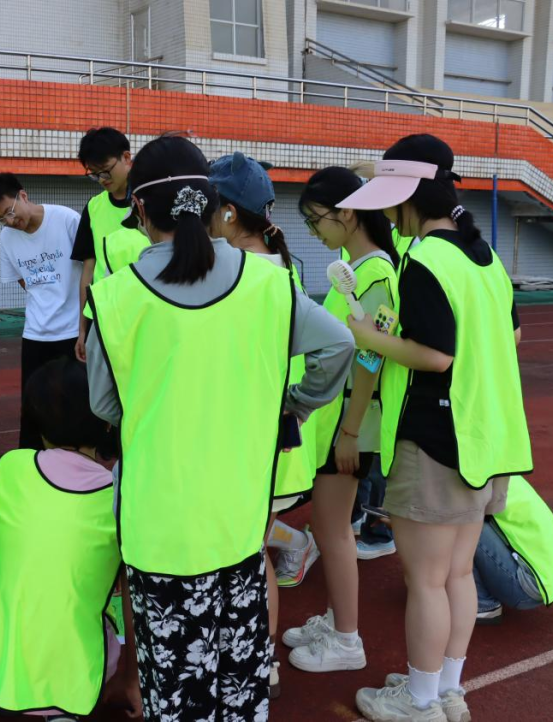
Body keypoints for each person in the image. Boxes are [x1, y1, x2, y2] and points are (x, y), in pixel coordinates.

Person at [85, 134, 354, 720]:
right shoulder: (268, 282)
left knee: (176, 690)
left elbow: (105, 404)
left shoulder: (115, 296)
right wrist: (295, 403)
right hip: (238, 521)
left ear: (139, 208)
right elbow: (339, 344)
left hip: (159, 529)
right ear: (212, 205)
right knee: (237, 684)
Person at [340, 134, 532, 722]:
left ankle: (420, 701)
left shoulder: (426, 260)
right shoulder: (484, 257)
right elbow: (512, 335)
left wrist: (368, 335)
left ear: (409, 198)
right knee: (456, 575)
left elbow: (435, 355)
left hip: (435, 439)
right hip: (485, 437)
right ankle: (445, 689)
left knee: (425, 579)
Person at [206, 151, 325, 698]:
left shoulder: (247, 274)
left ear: (229, 212)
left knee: (246, 555)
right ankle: (261, 655)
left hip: (257, 439)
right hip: (270, 437)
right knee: (247, 551)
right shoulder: (278, 265)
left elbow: (335, 347)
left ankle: (261, 657)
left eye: (207, 207)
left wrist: (295, 402)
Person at [0, 357, 132, 720]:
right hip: (72, 667)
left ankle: (10, 690)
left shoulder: (10, 467)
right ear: (105, 419)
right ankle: (60, 705)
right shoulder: (117, 495)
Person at [282, 166, 401, 675]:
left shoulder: (375, 275)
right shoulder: (355, 267)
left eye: (316, 220)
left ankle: (347, 639)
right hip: (336, 421)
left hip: (349, 424)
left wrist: (351, 431)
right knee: (330, 526)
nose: (314, 231)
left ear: (347, 213)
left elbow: (371, 358)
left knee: (333, 529)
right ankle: (336, 622)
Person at [0, 173, 81, 450]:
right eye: (1, 218)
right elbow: (22, 280)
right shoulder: (7, 238)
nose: (10, 221)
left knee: (74, 402)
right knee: (33, 404)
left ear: (23, 196)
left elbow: (89, 268)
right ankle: (31, 463)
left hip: (72, 330)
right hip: (36, 333)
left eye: (10, 212)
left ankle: (75, 462)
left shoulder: (66, 220)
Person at [73, 127, 149, 362]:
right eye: (94, 174)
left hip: (144, 313)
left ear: (126, 158)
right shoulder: (94, 208)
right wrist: (82, 329)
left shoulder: (151, 202)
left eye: (105, 171)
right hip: (102, 316)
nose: (102, 179)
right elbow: (88, 271)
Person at [472, 475, 553, 624]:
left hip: (526, 586)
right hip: (546, 580)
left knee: (462, 522)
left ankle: (483, 604)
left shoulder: (475, 480)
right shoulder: (504, 472)